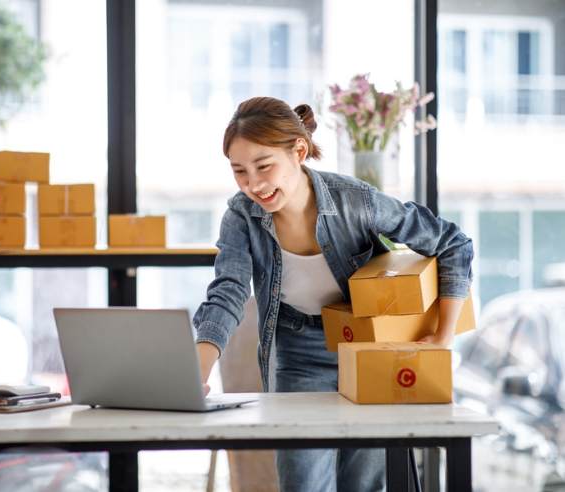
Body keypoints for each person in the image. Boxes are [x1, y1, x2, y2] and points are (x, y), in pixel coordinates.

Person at [192, 96, 473, 492]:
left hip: (369, 350)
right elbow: (229, 290)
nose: (253, 184)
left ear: (299, 151)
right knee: (303, 483)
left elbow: (452, 243)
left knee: (366, 484)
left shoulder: (355, 200)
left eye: (264, 166)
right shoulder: (241, 215)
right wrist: (197, 369)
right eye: (239, 171)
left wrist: (442, 339)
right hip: (298, 355)